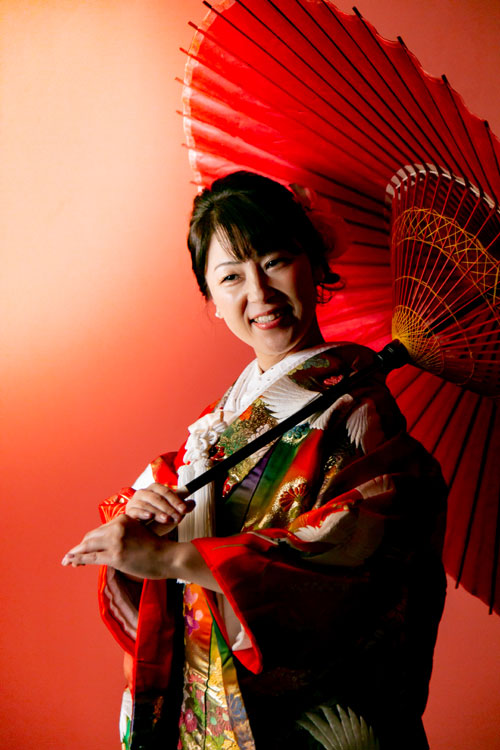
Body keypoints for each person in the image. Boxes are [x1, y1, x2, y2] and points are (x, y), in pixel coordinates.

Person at [62, 171, 447, 750]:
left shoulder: (359, 414)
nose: (260, 294)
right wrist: (149, 515)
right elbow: (182, 501)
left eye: (275, 261)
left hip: (303, 721)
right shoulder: (220, 421)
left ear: (314, 264)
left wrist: (174, 557)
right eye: (231, 276)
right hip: (212, 710)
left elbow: (351, 563)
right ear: (211, 300)